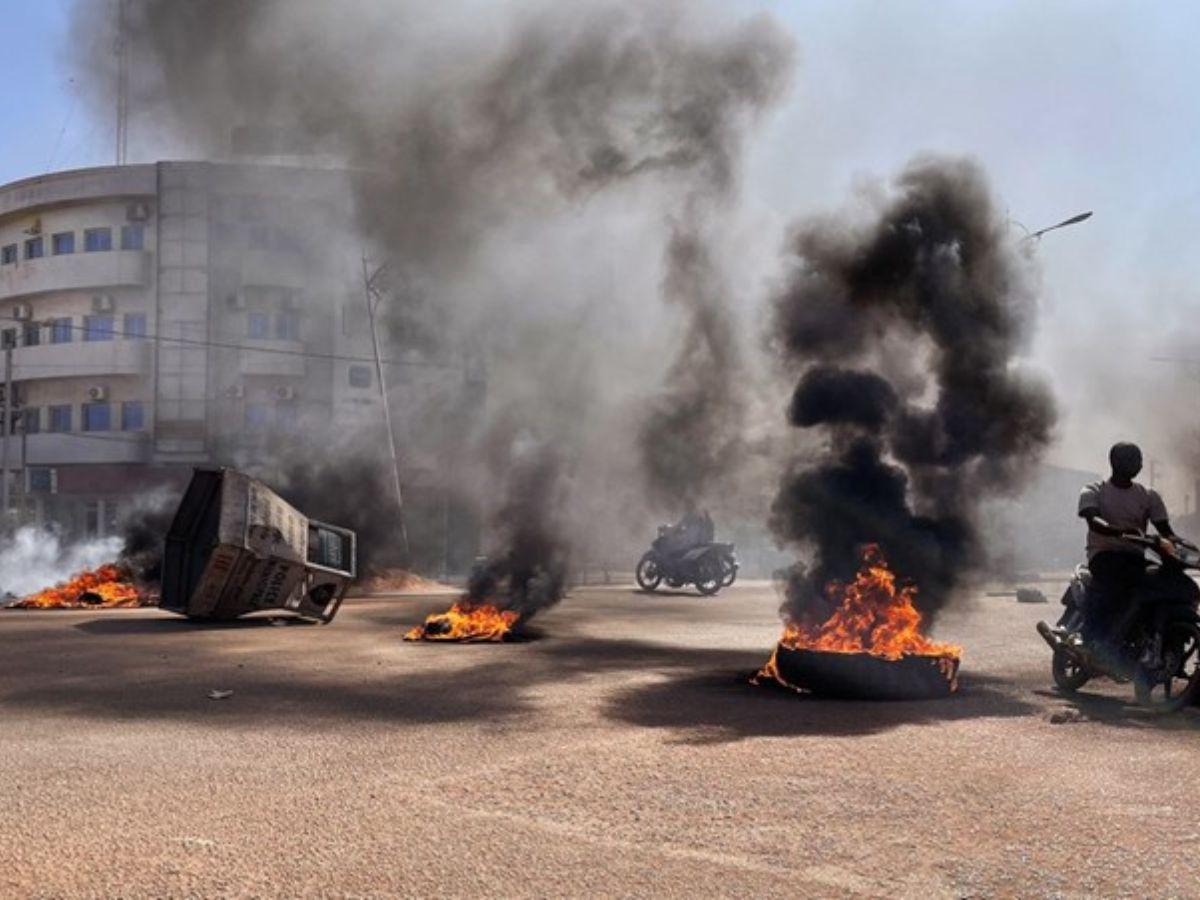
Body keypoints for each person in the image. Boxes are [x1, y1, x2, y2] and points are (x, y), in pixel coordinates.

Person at [1077, 442, 1177, 663]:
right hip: (1104, 554)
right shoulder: (1094, 490)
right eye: (1132, 459)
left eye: (1139, 459)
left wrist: (1179, 544)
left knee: (1161, 583)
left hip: (1135, 557)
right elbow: (1094, 521)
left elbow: (1166, 532)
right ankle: (1090, 638)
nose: (1138, 464)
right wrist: (1120, 532)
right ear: (1115, 462)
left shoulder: (1148, 496)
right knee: (1115, 583)